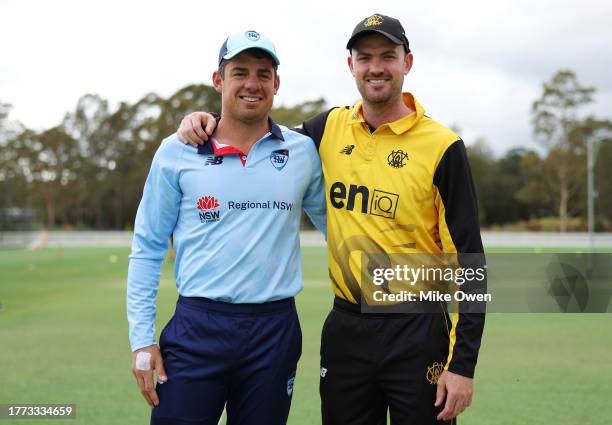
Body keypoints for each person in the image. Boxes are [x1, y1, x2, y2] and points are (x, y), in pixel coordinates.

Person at [177, 13, 485, 424]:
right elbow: (260, 136)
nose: (375, 67)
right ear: (351, 66)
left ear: (407, 62)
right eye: (364, 57)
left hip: (418, 329)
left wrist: (462, 365)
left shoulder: (443, 146)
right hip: (345, 331)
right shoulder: (325, 130)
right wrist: (205, 121)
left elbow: (470, 263)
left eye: (388, 56)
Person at [127, 30, 326, 425]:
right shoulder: (178, 150)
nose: (252, 83)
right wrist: (142, 339)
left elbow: (340, 229)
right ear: (219, 81)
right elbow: (148, 245)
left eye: (263, 74)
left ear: (276, 84)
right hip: (198, 327)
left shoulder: (302, 151)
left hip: (274, 331)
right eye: (240, 72)